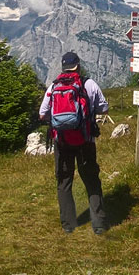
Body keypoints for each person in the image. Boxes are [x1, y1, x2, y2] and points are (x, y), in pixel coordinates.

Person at [38, 51, 109, 235]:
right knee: (91, 179)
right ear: (78, 66)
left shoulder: (54, 86)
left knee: (64, 181)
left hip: (61, 141)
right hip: (85, 140)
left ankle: (68, 225)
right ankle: (99, 223)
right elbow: (104, 107)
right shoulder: (89, 84)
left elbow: (42, 113)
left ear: (63, 67)